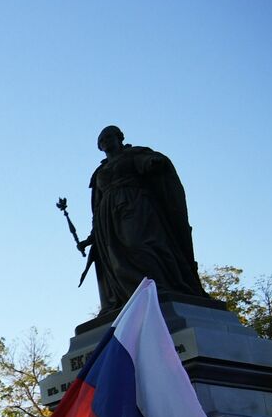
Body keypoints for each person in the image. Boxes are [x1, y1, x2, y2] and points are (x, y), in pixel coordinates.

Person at [80, 125, 209, 317]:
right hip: (108, 218)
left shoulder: (134, 154)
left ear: (119, 138)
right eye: (102, 140)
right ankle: (132, 296)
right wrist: (92, 236)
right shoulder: (99, 173)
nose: (106, 142)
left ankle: (158, 287)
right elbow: (96, 207)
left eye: (109, 137)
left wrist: (154, 162)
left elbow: (149, 162)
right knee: (115, 259)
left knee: (139, 245)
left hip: (135, 204)